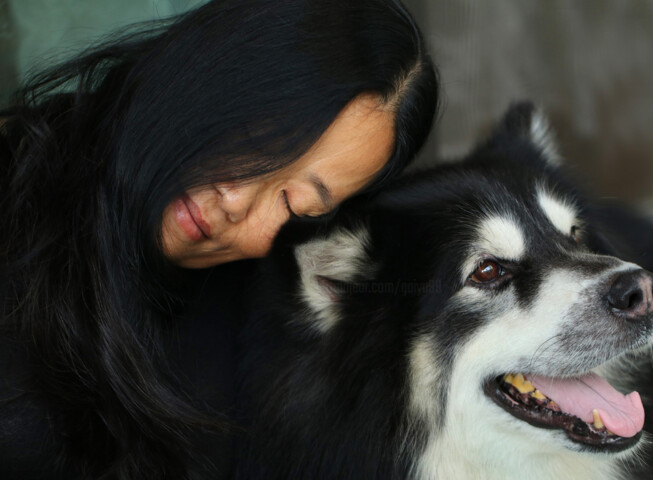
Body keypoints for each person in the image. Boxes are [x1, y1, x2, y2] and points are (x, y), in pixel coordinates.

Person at [0, 0, 438, 478]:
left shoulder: (253, 331)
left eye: (294, 205)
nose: (236, 199)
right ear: (208, 73)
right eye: (257, 138)